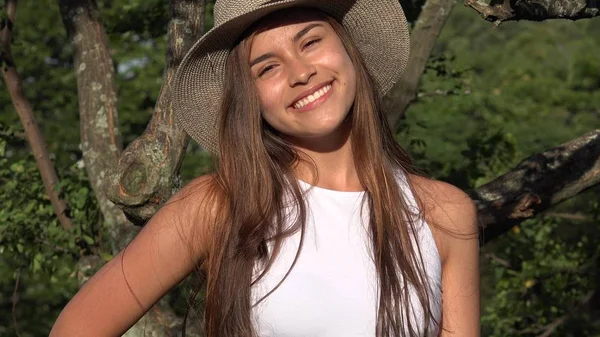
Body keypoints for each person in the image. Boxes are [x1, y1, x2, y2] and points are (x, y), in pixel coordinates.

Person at [50, 0, 480, 336]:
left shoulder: (445, 212)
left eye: (310, 41)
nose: (301, 72)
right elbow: (77, 327)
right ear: (249, 99)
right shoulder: (217, 206)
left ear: (351, 50)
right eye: (267, 67)